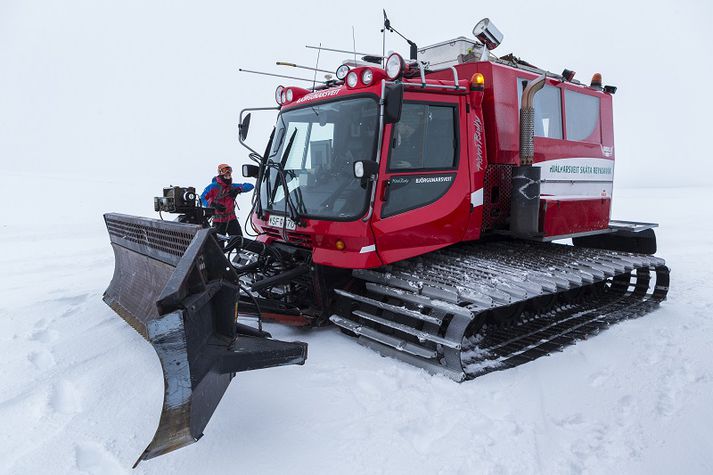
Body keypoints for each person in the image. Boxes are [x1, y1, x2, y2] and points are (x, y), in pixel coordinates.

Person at [201, 163, 254, 237]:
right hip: (218, 221)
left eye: (229, 171)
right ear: (220, 173)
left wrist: (238, 190)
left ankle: (238, 249)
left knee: (239, 241)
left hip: (231, 219)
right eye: (225, 171)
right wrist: (213, 205)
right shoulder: (213, 187)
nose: (228, 173)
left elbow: (250, 186)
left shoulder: (232, 187)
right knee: (218, 245)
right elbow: (202, 198)